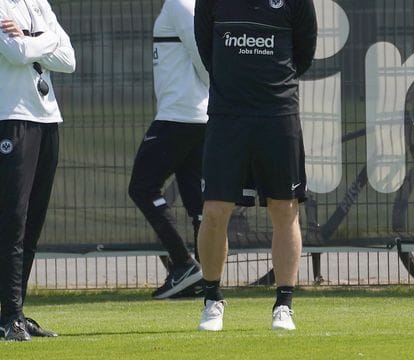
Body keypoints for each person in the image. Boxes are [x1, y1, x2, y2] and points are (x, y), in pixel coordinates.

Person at [193, 0, 317, 331]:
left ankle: (284, 304)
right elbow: (208, 52)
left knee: (283, 208)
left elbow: (303, 54)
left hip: (278, 116)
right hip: (227, 118)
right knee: (216, 210)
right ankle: (212, 299)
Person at [0, 0, 75, 341]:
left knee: (32, 224)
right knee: (13, 219)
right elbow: (15, 53)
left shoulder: (36, 1)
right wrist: (47, 39)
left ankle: (19, 312)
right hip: (9, 117)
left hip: (47, 118)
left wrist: (32, 37)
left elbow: (69, 60)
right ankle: (7, 317)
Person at [128, 0, 207, 300]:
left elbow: (203, 55)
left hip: (180, 116)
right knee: (197, 204)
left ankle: (185, 265)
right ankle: (207, 283)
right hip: (196, 116)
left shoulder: (179, 3)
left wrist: (218, 89)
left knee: (142, 187)